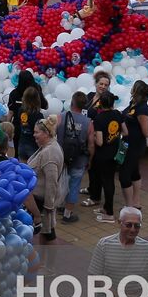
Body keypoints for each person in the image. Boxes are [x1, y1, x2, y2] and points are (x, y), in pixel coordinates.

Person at [24, 117, 65, 242]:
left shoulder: (50, 153)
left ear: (46, 133)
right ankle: (45, 259)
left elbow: (51, 183)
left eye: (37, 132)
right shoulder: (46, 146)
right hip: (40, 201)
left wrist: (47, 209)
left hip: (42, 204)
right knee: (46, 234)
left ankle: (50, 260)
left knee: (48, 234)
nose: (34, 135)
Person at [56, 91, 91, 223]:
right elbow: (91, 144)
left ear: (72, 102)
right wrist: (90, 159)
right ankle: (67, 214)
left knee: (61, 182)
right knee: (74, 186)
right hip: (79, 159)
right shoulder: (88, 122)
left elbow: (52, 134)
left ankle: (59, 206)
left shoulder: (61, 116)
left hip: (62, 157)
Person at [119, 80, 148, 209]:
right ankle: (136, 202)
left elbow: (147, 132)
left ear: (136, 91)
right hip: (127, 144)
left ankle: (130, 205)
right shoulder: (133, 104)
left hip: (134, 146)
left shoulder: (142, 109)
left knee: (124, 175)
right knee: (134, 172)